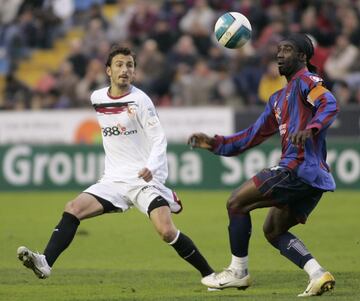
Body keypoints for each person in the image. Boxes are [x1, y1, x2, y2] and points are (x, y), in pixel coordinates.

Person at [17, 45, 214, 284]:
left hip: (143, 180)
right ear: (108, 71)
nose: (125, 70)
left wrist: (151, 167)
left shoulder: (141, 100)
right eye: (119, 65)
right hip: (113, 180)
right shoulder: (97, 98)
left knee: (166, 231)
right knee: (73, 208)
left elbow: (158, 138)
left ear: (134, 71)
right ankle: (45, 262)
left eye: (129, 65)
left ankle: (210, 275)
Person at [188, 33, 338, 297]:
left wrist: (311, 128)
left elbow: (329, 103)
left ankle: (238, 272)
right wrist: (215, 143)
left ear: (302, 56)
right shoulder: (277, 99)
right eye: (279, 50)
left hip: (297, 168)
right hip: (311, 179)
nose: (280, 54)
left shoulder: (307, 81)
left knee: (236, 203)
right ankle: (317, 273)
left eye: (288, 50)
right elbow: (250, 136)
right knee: (273, 230)